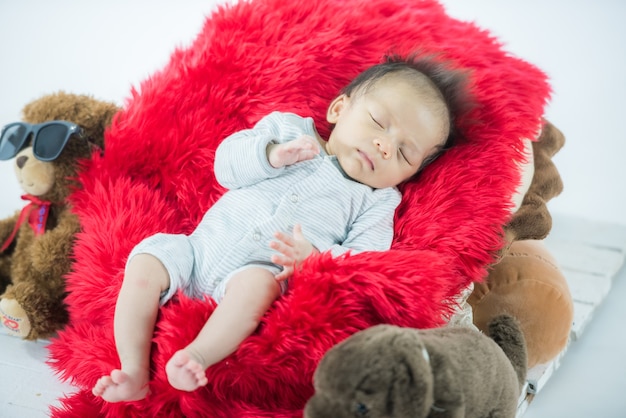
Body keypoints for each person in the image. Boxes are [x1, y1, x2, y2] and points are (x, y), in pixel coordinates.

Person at [92, 55, 470, 402]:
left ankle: (197, 355)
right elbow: (225, 165)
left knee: (258, 287)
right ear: (339, 108)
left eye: (405, 153)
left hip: (255, 269)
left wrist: (316, 259)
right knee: (145, 258)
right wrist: (269, 155)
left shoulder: (376, 201)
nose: (385, 145)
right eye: (378, 122)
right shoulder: (287, 129)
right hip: (197, 250)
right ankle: (133, 370)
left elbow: (366, 257)